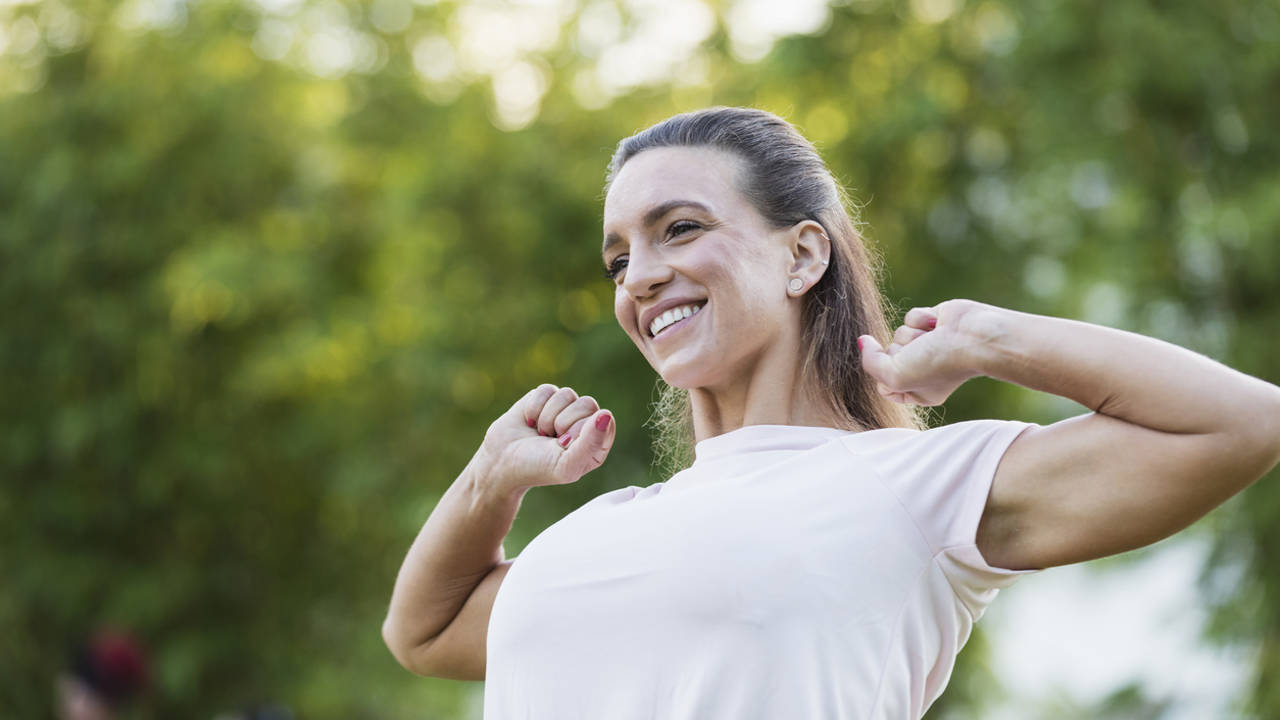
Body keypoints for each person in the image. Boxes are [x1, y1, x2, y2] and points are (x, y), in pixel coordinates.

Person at [382, 107, 1280, 718]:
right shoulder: (604, 527)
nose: (641, 275)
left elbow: (1244, 423)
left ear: (803, 254)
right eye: (619, 259)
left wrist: (993, 340)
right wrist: (490, 478)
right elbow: (421, 630)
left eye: (680, 229)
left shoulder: (918, 490)